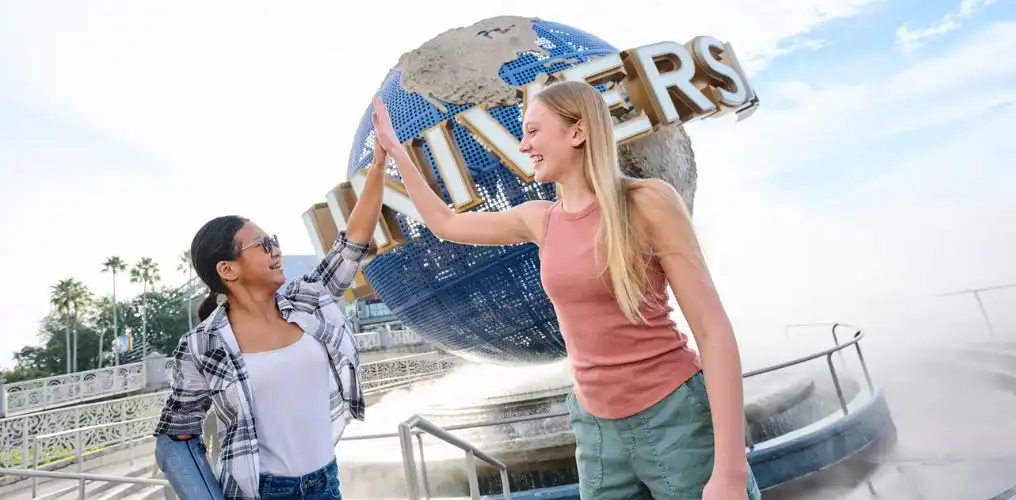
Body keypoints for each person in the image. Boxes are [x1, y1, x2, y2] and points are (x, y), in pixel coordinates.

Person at [371, 81, 761, 500]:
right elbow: (445, 223)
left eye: (534, 131)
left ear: (577, 132)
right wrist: (395, 152)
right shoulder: (539, 220)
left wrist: (731, 472)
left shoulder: (649, 202)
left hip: (675, 420)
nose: (524, 146)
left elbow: (712, 332)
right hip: (595, 431)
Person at [153, 144, 388, 499]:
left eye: (273, 242)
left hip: (326, 482)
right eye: (263, 245)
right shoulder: (203, 345)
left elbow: (353, 242)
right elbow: (175, 436)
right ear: (227, 269)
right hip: (264, 492)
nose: (276, 250)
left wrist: (380, 163)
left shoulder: (307, 299)